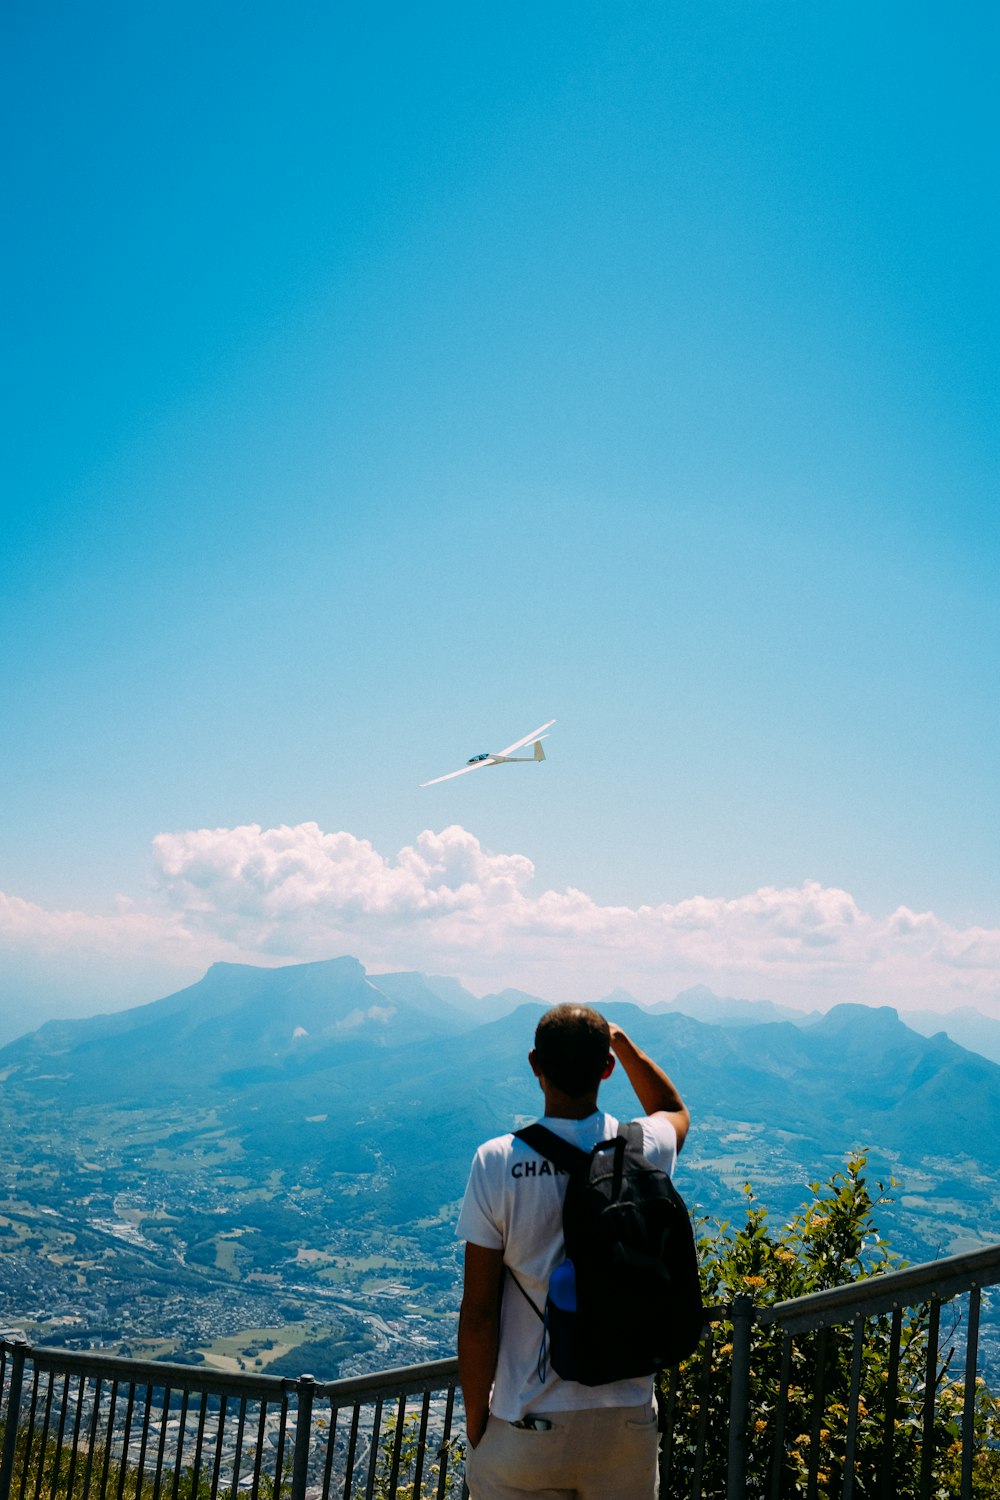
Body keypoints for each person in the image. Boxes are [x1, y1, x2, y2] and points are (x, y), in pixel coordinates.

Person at [457, 1004, 690, 1500]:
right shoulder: (644, 1146)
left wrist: (479, 1426)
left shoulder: (498, 1162)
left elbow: (478, 1313)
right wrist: (623, 1044)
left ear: (534, 1065)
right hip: (626, 1422)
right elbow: (674, 1109)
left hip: (528, 1422)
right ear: (606, 1068)